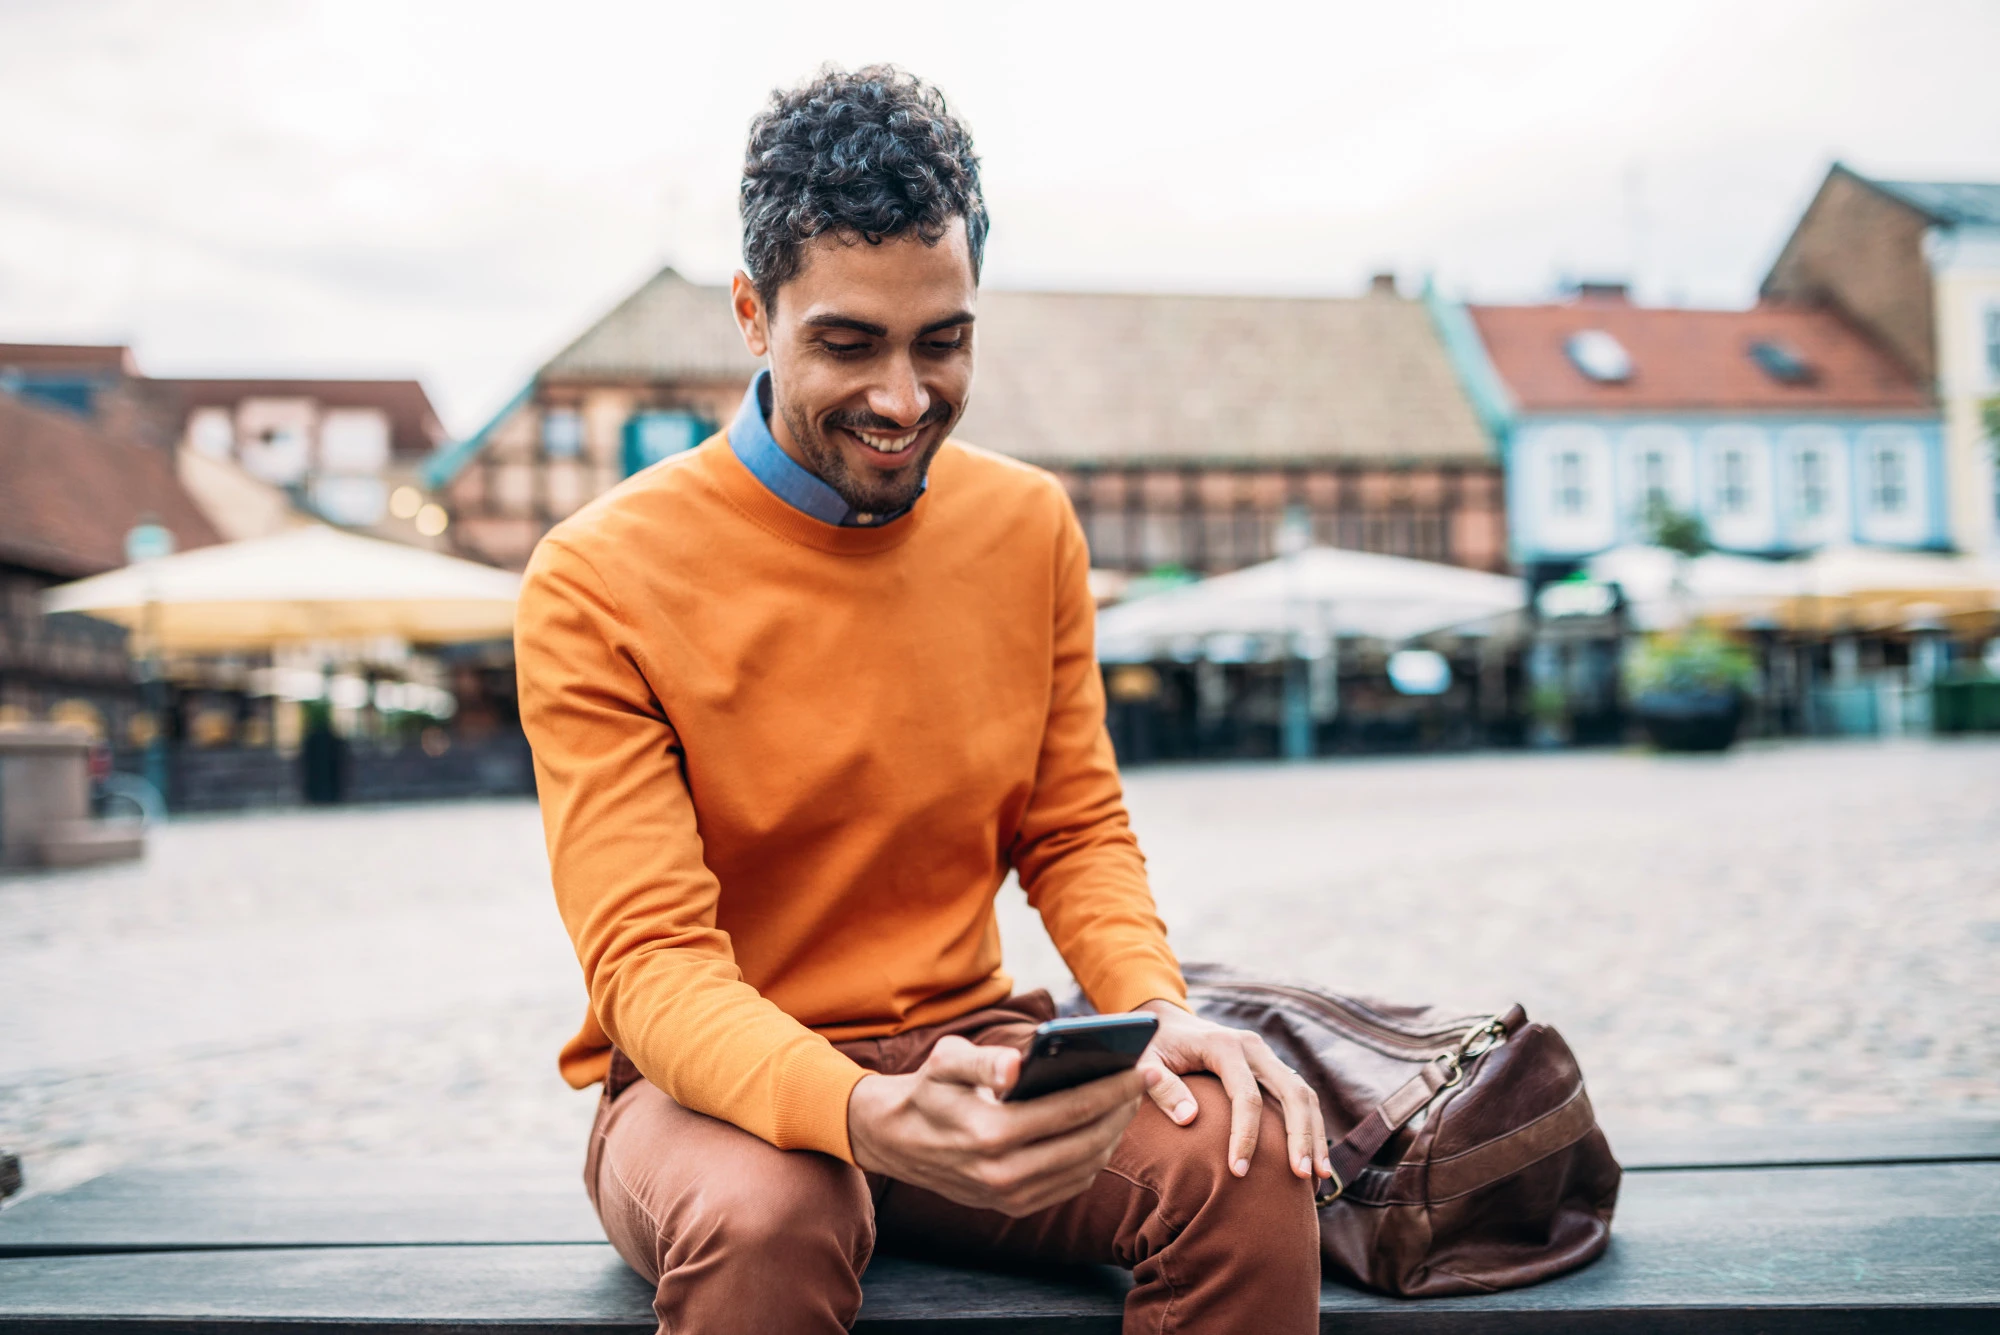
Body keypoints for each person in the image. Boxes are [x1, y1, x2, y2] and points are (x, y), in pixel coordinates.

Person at [515, 65, 1326, 1335]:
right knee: (769, 1216)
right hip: (705, 1094)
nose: (902, 400)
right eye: (848, 344)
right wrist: (854, 1112)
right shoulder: (595, 576)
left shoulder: (1027, 525)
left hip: (968, 1051)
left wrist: (1155, 1006)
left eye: (941, 343)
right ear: (751, 315)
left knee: (1244, 1158)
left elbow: (1072, 830)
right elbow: (650, 965)